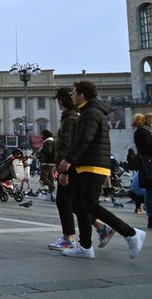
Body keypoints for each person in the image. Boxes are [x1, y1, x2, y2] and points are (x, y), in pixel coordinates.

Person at [57, 80, 146, 259]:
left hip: (93, 165)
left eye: (74, 93)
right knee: (78, 204)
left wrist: (67, 161)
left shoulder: (90, 113)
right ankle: (85, 247)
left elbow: (84, 140)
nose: (72, 96)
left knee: (89, 204)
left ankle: (131, 234)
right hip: (87, 165)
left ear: (81, 95)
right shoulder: (87, 112)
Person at [48, 87, 81, 250]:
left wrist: (64, 170)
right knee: (74, 202)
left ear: (62, 100)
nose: (58, 103)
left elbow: (68, 146)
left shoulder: (71, 118)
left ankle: (69, 238)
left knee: (63, 201)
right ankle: (102, 227)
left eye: (58, 100)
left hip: (68, 167)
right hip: (67, 166)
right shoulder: (71, 116)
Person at [134, 112, 152, 228]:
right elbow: (149, 148)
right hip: (148, 167)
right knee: (150, 191)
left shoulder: (144, 131)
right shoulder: (142, 132)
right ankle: (151, 217)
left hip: (147, 166)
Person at [39, 129, 56, 200]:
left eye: (42, 135)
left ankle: (52, 188)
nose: (42, 137)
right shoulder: (53, 142)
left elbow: (48, 152)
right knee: (50, 178)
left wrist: (41, 150)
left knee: (43, 178)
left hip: (47, 163)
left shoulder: (47, 142)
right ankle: (51, 195)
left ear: (45, 135)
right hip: (52, 163)